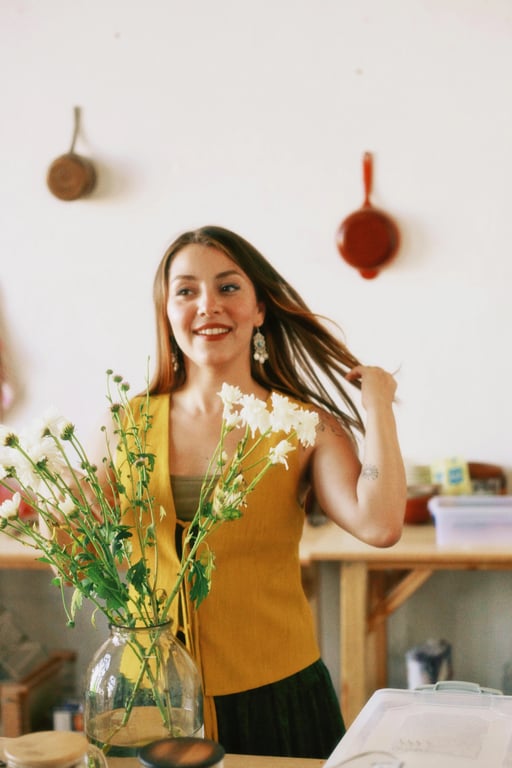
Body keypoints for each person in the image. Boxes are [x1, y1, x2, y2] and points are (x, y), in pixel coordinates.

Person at [128, 225, 406, 758]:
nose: (208, 305)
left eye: (228, 287)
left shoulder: (305, 426)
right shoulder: (124, 426)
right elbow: (73, 535)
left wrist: (378, 407)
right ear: (167, 310)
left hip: (277, 693)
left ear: (259, 309)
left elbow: (380, 524)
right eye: (186, 290)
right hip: (152, 697)